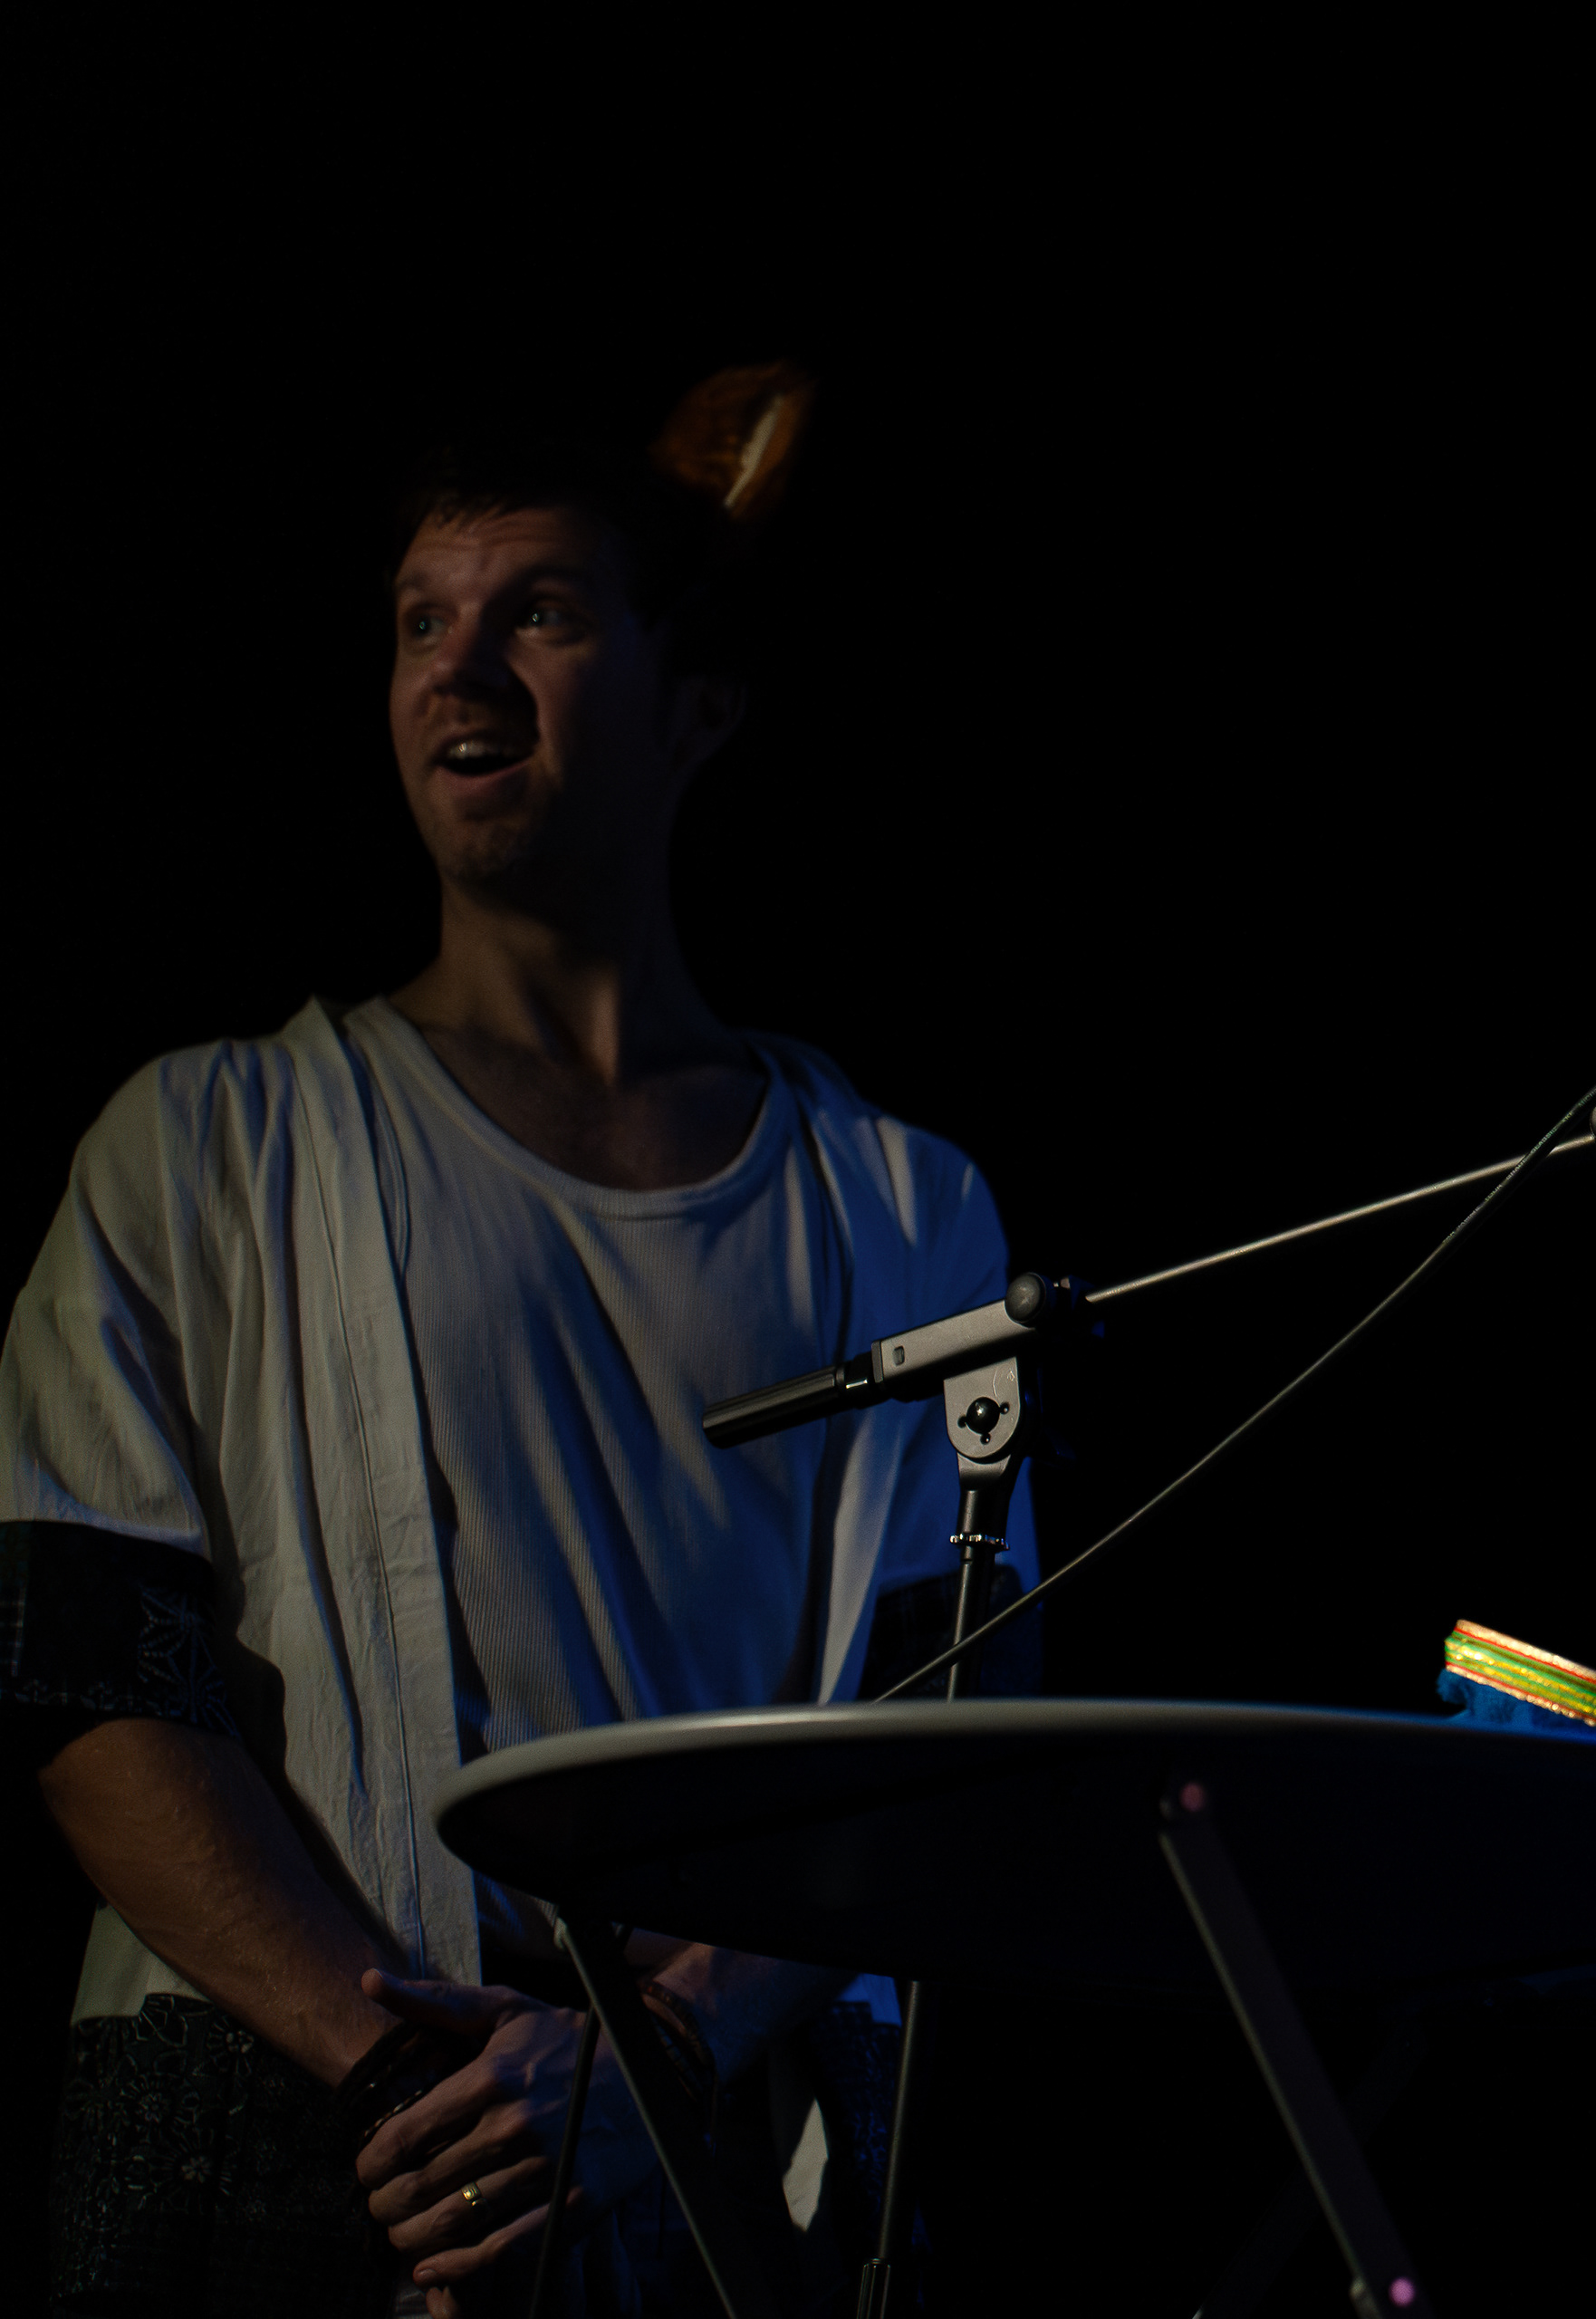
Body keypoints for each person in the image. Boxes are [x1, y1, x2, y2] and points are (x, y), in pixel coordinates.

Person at [1, 370, 1032, 2316]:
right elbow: (88, 1675)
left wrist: (661, 2052)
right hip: (287, 2134)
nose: (456, 668)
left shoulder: (906, 1204)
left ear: (698, 706)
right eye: (419, 621)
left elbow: (949, 1716)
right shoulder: (200, 1144)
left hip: (720, 2149)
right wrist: (419, 2084)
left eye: (537, 612)